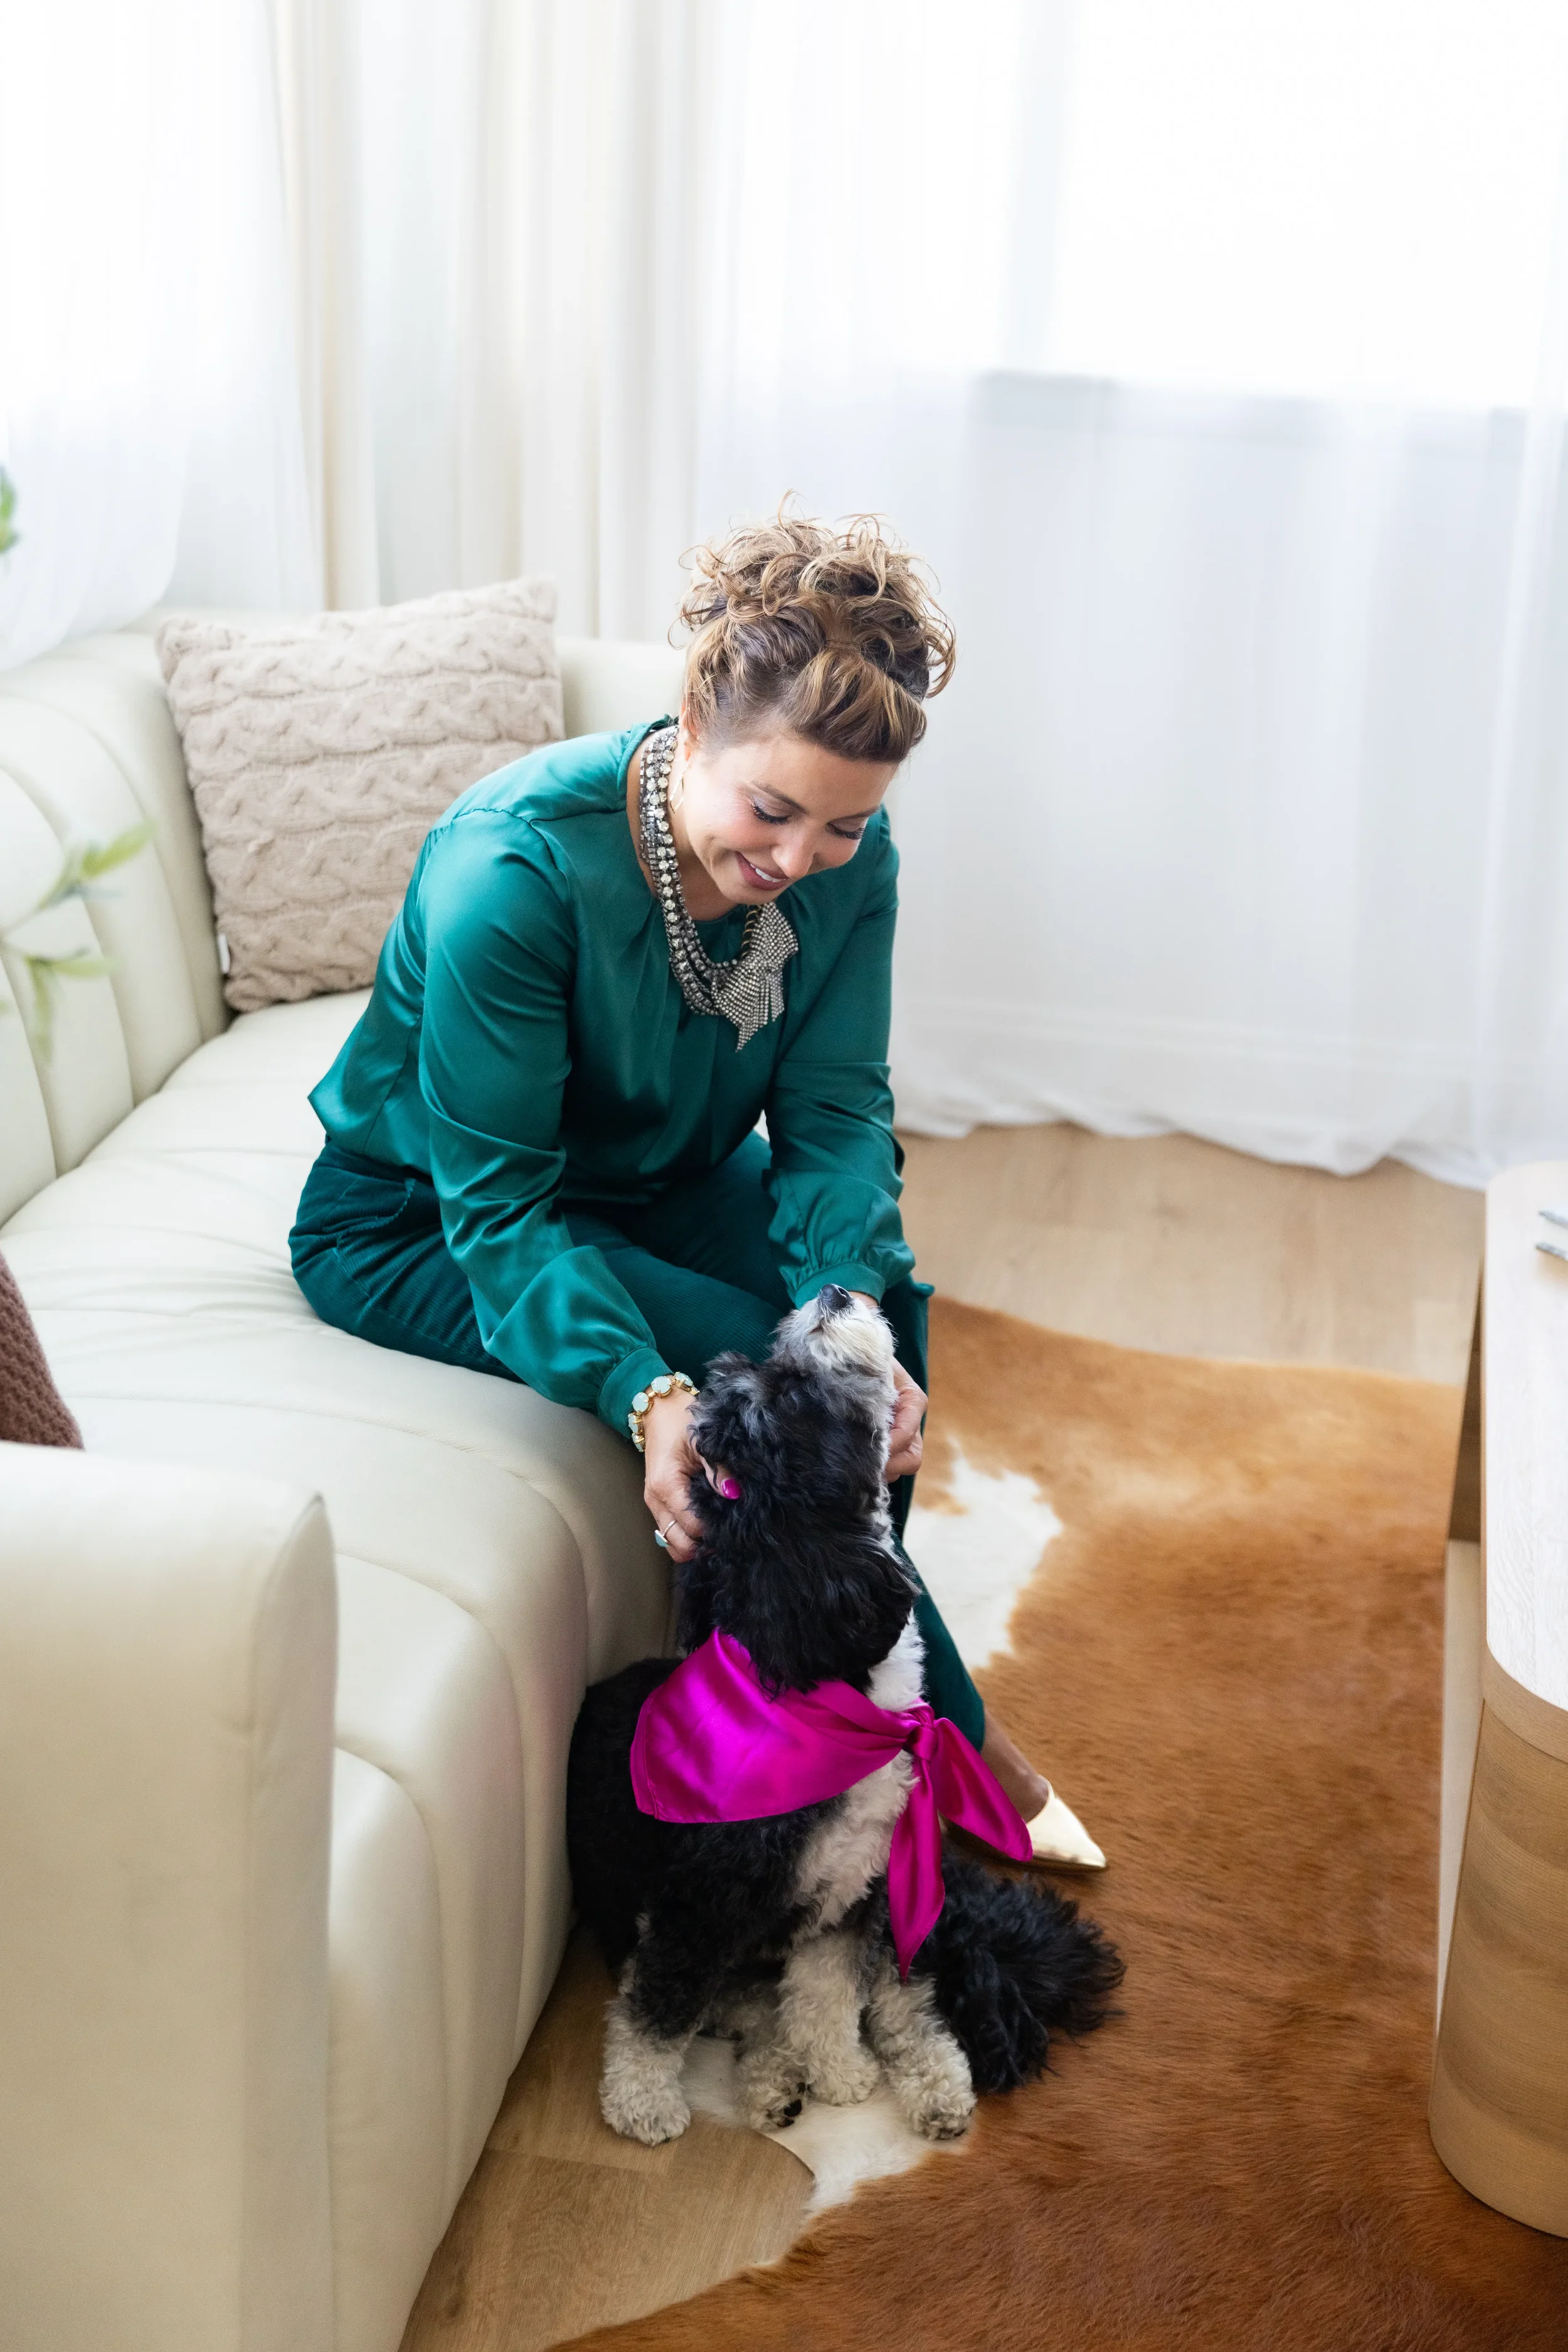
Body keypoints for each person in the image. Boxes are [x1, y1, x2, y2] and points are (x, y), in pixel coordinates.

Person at [289, 510, 1102, 1865]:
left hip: (656, 1180)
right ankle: (945, 1737)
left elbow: (835, 1110)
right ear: (689, 724)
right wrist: (641, 1389)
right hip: (424, 1219)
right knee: (755, 1373)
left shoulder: (852, 863)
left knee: (870, 1318)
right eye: (770, 810)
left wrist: (847, 1309)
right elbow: (499, 1209)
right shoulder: (512, 870)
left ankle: (841, 1684)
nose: (796, 858)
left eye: (842, 825)